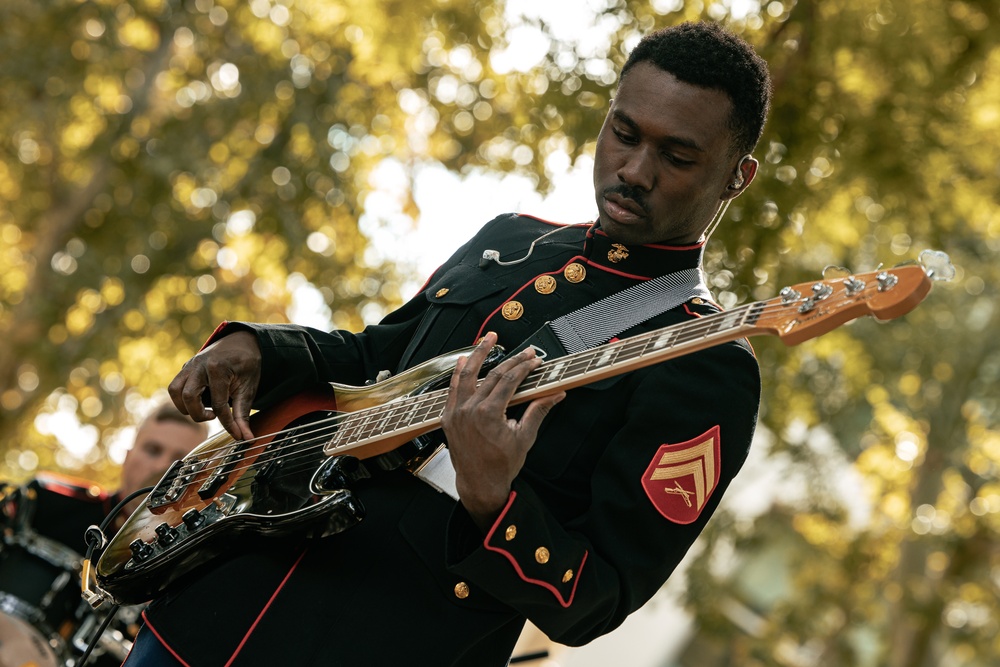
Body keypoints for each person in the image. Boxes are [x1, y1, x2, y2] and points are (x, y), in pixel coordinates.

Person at [125, 21, 772, 666]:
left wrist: (495, 498)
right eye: (623, 134)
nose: (634, 169)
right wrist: (256, 347)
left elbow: (596, 598)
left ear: (736, 177)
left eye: (677, 156)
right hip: (212, 610)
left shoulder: (707, 364)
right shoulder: (511, 238)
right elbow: (373, 361)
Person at [0, 403, 207, 666]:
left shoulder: (195, 571)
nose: (164, 468)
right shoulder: (46, 501)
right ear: (127, 456)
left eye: (180, 461)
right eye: (153, 450)